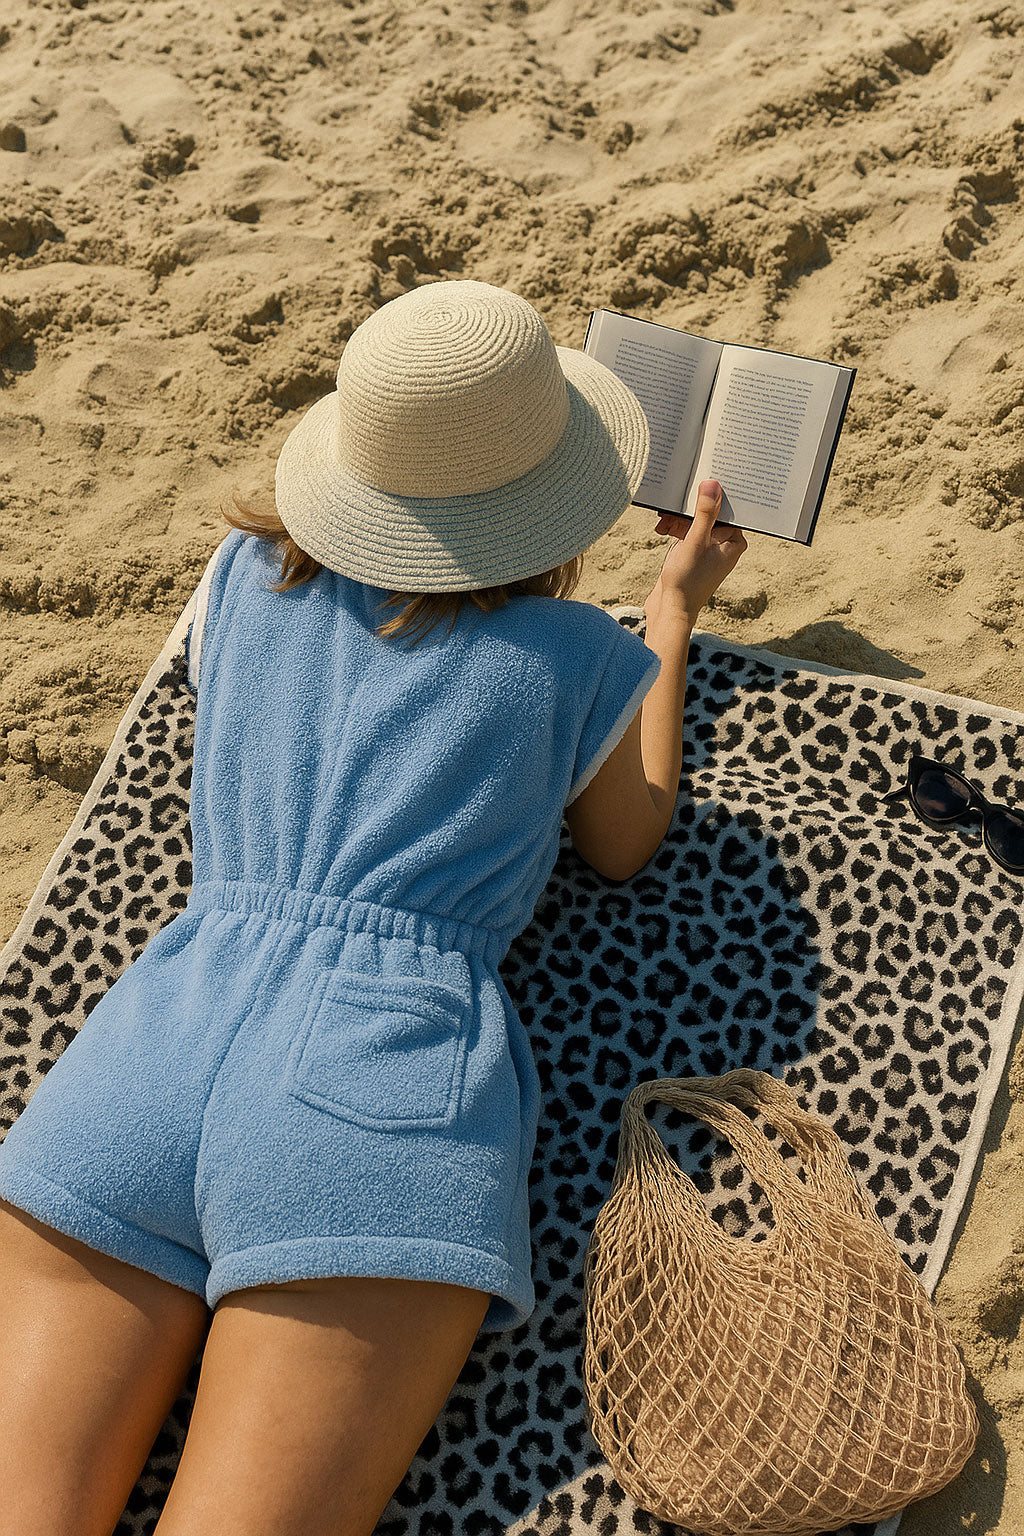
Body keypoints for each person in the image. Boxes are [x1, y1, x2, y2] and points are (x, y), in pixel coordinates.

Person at [0, 279, 746, 1535]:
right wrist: (668, 612)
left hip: (155, 1042)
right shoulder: (579, 659)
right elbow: (628, 843)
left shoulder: (240, 579)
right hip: (373, 1091)